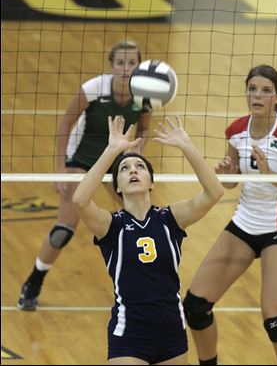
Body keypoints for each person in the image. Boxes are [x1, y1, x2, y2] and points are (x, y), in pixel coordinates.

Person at [72, 115, 224, 365]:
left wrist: (187, 146)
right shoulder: (111, 226)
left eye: (140, 167)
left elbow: (215, 192)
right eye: (125, 169)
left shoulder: (170, 219)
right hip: (130, 335)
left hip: (172, 332)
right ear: (117, 187)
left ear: (151, 182)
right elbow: (79, 200)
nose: (133, 170)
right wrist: (112, 151)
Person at [18, 40, 152, 311]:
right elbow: (66, 123)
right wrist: (60, 170)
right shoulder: (94, 89)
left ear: (139, 65)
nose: (126, 69)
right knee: (63, 230)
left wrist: (139, 148)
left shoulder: (145, 93)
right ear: (111, 65)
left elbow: (145, 129)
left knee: (140, 223)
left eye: (132, 63)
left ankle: (140, 287)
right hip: (83, 159)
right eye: (120, 63)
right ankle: (34, 280)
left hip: (118, 161)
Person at [183, 65, 277, 365]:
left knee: (276, 320)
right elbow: (232, 180)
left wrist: (269, 173)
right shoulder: (236, 131)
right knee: (195, 307)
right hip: (245, 223)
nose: (257, 96)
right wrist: (227, 174)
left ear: (276, 96)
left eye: (265, 90)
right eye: (252, 89)